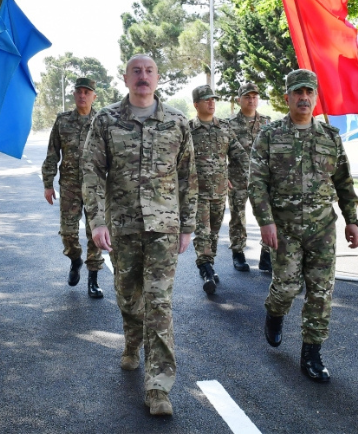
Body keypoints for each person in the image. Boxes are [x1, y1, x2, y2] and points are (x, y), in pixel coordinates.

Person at [82, 54, 197, 416]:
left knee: (159, 303)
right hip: (123, 226)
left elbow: (188, 178)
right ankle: (131, 343)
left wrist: (189, 226)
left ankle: (158, 387)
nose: (143, 77)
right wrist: (98, 222)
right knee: (129, 297)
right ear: (126, 78)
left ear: (158, 78)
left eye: (149, 71)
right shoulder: (106, 120)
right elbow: (92, 172)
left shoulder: (177, 122)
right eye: (136, 71)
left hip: (164, 228)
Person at [248, 69, 358, 383]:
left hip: (322, 229)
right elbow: (256, 184)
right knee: (285, 288)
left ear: (315, 97)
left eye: (309, 92)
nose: (304, 98)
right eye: (298, 92)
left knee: (321, 293)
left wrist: (352, 220)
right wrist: (266, 222)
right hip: (284, 229)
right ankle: (275, 312)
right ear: (287, 98)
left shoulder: (330, 137)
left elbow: (344, 182)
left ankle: (312, 353)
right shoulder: (270, 135)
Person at [42, 77, 105, 298]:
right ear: (74, 94)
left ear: (94, 96)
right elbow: (52, 153)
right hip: (69, 186)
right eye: (79, 91)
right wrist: (48, 183)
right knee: (68, 232)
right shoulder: (63, 121)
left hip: (96, 187)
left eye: (87, 92)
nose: (82, 95)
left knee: (95, 234)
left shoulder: (102, 121)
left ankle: (93, 280)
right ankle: (75, 259)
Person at [189, 84, 249, 294]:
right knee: (202, 232)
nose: (211, 103)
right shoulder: (188, 130)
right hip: (197, 193)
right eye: (206, 100)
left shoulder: (224, 127)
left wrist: (234, 175)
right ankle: (205, 268)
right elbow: (178, 161)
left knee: (213, 232)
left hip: (219, 191)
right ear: (196, 104)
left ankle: (209, 264)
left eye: (213, 99)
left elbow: (239, 154)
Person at [226, 82, 272, 272]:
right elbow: (221, 151)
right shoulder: (230, 124)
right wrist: (222, 175)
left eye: (254, 96)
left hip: (262, 178)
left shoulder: (267, 123)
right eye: (247, 97)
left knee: (268, 215)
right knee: (238, 216)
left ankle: (267, 255)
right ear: (239, 100)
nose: (251, 100)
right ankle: (238, 253)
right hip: (237, 178)